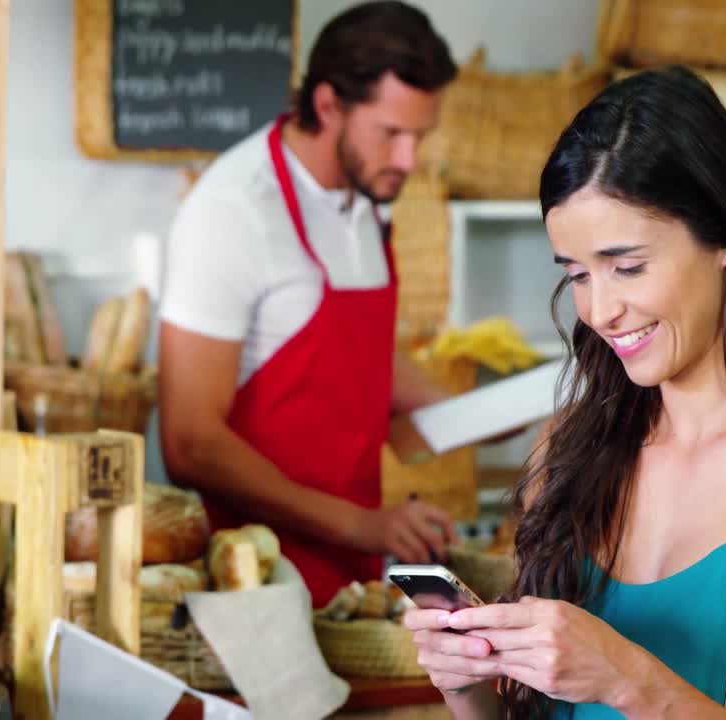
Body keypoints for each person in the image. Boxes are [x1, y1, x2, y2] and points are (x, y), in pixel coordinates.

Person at [406, 66, 726, 717]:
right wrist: (467, 682)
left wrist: (626, 679)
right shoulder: (569, 446)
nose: (600, 309)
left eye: (628, 267)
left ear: (724, 237)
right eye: (578, 275)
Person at [158, 1, 461, 607]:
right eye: (392, 134)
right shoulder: (234, 210)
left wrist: (485, 412)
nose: (409, 160)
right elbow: (189, 443)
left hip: (352, 582)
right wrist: (359, 523)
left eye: (419, 137)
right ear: (328, 105)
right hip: (251, 590)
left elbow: (360, 357)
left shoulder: (366, 201)